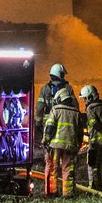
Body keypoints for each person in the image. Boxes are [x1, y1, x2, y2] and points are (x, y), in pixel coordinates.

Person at [41, 81, 83, 198]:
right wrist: (78, 145)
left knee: (52, 168)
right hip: (70, 146)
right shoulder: (76, 113)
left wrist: (45, 141)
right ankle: (68, 194)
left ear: (59, 99)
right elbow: (80, 132)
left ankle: (51, 193)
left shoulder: (55, 109)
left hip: (55, 146)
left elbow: (49, 127)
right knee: (68, 170)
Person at [36, 63, 70, 192]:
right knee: (66, 162)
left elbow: (39, 108)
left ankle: (51, 191)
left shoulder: (45, 89)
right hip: (63, 127)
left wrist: (38, 123)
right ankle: (68, 192)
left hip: (49, 128)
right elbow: (74, 107)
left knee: (50, 162)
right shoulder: (68, 88)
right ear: (60, 75)